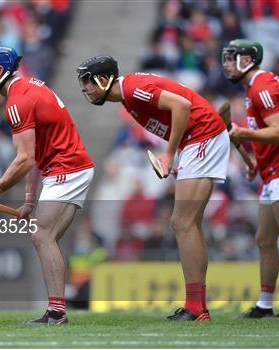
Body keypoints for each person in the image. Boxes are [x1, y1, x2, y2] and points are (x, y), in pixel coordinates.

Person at [76, 55, 230, 321]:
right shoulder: (129, 98)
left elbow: (181, 106)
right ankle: (198, 306)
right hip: (197, 139)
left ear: (103, 79)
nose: (83, 89)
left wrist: (169, 154)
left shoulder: (134, 90)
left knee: (182, 223)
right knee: (188, 224)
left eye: (87, 82)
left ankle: (196, 307)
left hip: (201, 136)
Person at [0, 46, 94, 325]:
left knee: (42, 235)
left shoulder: (17, 101)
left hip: (67, 166)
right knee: (44, 236)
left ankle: (56, 312)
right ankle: (56, 311)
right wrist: (29, 198)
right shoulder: (28, 87)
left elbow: (25, 159)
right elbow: (35, 150)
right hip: (66, 166)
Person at [222, 39, 279, 319]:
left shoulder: (262, 87)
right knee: (264, 238)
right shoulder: (255, 87)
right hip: (272, 171)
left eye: (231, 57)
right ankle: (264, 303)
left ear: (247, 60)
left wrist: (241, 134)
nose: (225, 63)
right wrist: (256, 164)